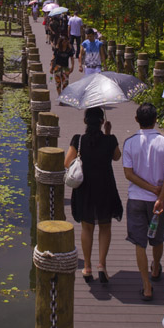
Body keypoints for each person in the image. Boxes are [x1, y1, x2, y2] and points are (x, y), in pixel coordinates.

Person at [122, 103, 164, 302]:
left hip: (136, 199)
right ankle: (155, 266)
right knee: (158, 238)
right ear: (155, 120)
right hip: (158, 201)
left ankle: (146, 286)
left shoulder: (130, 143)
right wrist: (159, 195)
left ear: (136, 120)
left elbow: (128, 174)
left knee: (139, 242)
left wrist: (149, 188)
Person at [64, 107, 123, 283]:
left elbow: (67, 163)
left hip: (85, 188)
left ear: (85, 121)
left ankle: (87, 266)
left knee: (87, 227)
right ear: (102, 122)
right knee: (105, 226)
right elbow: (117, 157)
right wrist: (109, 133)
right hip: (105, 187)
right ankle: (102, 264)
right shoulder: (110, 140)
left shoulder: (79, 140)